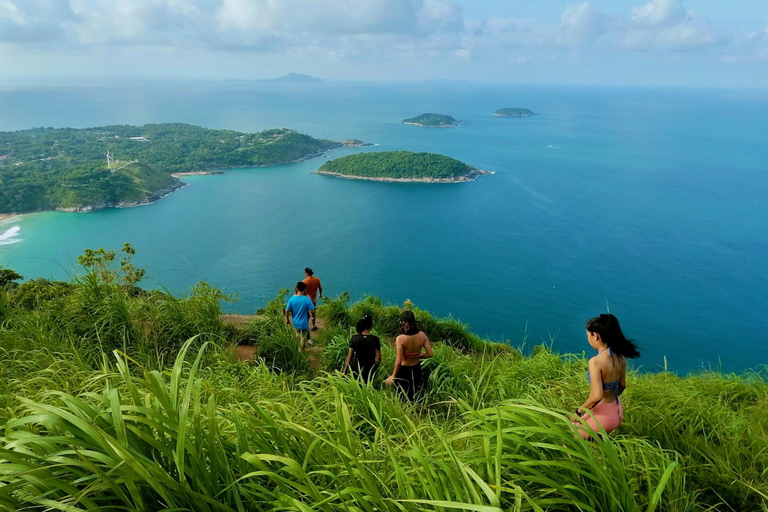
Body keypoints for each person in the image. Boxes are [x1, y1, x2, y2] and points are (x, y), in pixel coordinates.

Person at [573, 313, 641, 440]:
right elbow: (622, 385)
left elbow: (596, 396)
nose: (588, 339)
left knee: (571, 435)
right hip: (616, 411)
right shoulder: (620, 357)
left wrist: (578, 412)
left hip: (603, 416)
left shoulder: (596, 361)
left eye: (588, 335)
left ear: (595, 336)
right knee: (594, 445)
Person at [385, 310, 433, 401]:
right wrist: (417, 356)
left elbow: (399, 360)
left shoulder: (400, 338)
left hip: (403, 370)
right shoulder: (422, 335)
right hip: (416, 369)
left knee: (401, 396)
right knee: (413, 394)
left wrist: (393, 375)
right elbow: (429, 354)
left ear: (403, 322)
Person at [342, 314, 381, 383]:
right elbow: (378, 359)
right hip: (369, 370)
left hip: (356, 368)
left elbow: (349, 357)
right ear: (370, 325)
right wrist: (374, 370)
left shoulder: (355, 338)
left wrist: (344, 371)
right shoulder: (375, 339)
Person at [285, 281, 316, 349]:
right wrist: (312, 315)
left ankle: (297, 347)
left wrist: (287, 320)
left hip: (295, 321)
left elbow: (287, 310)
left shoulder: (291, 299)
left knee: (297, 334)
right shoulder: (307, 299)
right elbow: (312, 310)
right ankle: (301, 351)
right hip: (304, 322)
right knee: (303, 337)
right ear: (305, 289)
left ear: (296, 288)